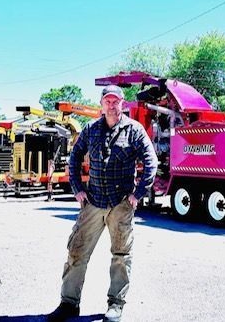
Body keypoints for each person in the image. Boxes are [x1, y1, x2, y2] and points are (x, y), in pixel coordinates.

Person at [48, 84, 157, 322]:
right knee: (76, 252)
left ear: (122, 103)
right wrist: (77, 189)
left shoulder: (134, 130)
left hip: (121, 204)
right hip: (93, 201)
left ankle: (115, 305)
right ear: (101, 104)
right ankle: (68, 304)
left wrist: (137, 194)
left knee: (121, 255)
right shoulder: (90, 130)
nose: (111, 105)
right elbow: (75, 157)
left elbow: (151, 162)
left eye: (115, 101)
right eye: (107, 101)